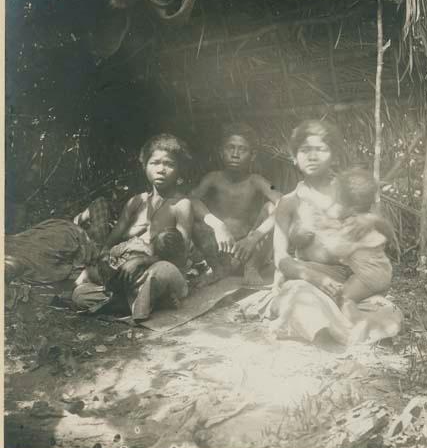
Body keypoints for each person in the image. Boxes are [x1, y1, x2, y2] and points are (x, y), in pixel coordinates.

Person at [270, 120, 402, 345]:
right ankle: (336, 332)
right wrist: (315, 277)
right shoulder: (288, 203)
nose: (312, 156)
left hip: (352, 278)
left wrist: (371, 218)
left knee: (383, 308)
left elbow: (386, 232)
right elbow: (281, 258)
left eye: (320, 149)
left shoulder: (350, 192)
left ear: (334, 156)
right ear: (294, 157)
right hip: (311, 278)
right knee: (298, 294)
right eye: (304, 150)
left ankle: (344, 328)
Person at [72, 134, 192, 321]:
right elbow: (113, 239)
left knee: (159, 272)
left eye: (169, 164)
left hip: (162, 270)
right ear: (145, 166)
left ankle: (134, 302)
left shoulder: (181, 204)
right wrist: (107, 260)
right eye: (155, 163)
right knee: (80, 295)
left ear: (179, 170)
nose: (161, 169)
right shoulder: (136, 202)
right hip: (129, 275)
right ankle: (141, 302)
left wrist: (144, 261)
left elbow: (181, 252)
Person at [191, 123, 282, 286]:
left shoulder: (257, 180)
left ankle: (252, 267)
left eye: (242, 149)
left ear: (252, 155)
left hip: (248, 249)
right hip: (219, 248)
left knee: (271, 208)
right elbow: (190, 200)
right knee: (193, 214)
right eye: (230, 148)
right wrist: (217, 225)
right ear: (221, 152)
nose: (235, 154)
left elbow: (283, 201)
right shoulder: (213, 178)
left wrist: (254, 237)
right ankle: (217, 269)